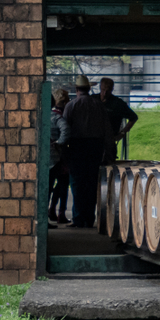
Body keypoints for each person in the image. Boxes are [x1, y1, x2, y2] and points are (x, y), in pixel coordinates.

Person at [62, 75, 110, 228]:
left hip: (77, 147)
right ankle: (89, 219)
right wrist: (108, 150)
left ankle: (78, 218)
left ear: (76, 89)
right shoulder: (99, 105)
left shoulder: (71, 106)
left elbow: (65, 130)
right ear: (89, 89)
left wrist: (64, 152)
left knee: (77, 184)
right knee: (91, 183)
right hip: (95, 147)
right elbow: (107, 130)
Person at [99, 77, 138, 163]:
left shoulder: (118, 103)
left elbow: (133, 117)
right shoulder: (93, 100)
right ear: (100, 87)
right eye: (103, 90)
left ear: (112, 89)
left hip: (109, 142)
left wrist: (122, 133)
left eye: (108, 90)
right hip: (94, 141)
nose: (105, 93)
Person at [48, 89, 71, 226]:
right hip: (59, 156)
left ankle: (51, 211)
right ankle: (60, 212)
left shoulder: (44, 116)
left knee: (49, 187)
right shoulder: (58, 117)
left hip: (48, 158)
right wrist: (60, 142)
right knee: (62, 183)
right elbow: (66, 130)